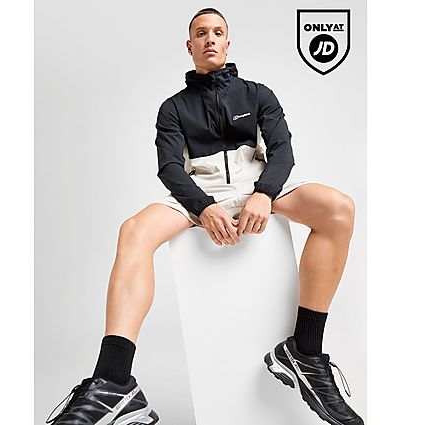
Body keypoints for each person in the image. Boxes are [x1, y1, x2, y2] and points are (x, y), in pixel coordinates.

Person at [46, 8, 363, 425]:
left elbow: (282, 151)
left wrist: (264, 193)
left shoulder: (258, 95)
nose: (210, 38)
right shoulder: (173, 108)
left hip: (256, 185)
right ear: (190, 46)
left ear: (228, 43)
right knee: (134, 231)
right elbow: (170, 168)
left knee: (338, 209)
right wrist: (202, 206)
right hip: (200, 193)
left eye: (217, 32)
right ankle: (113, 382)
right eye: (201, 33)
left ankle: (304, 352)